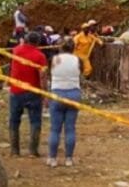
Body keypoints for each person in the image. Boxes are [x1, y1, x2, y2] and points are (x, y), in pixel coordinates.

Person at [9, 32, 48, 158]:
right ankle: (32, 151)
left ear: (25, 40)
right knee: (35, 121)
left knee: (14, 121)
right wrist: (45, 94)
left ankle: (15, 151)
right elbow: (43, 77)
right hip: (33, 92)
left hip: (16, 91)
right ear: (37, 42)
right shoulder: (40, 56)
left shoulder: (16, 51)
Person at [47, 39, 82, 168]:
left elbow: (49, 74)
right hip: (73, 93)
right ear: (73, 48)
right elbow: (81, 73)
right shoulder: (78, 60)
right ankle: (68, 159)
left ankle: (52, 159)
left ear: (61, 47)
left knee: (55, 129)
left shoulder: (53, 59)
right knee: (70, 128)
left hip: (57, 93)